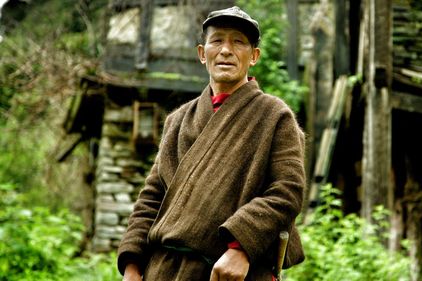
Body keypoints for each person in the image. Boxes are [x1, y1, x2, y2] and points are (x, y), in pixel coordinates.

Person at [117, 6, 305, 281]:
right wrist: (133, 262)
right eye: (217, 40)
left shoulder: (275, 116)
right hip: (163, 270)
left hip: (232, 272)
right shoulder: (178, 121)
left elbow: (287, 192)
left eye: (238, 42)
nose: (226, 50)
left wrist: (240, 247)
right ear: (202, 54)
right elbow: (153, 196)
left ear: (254, 56)